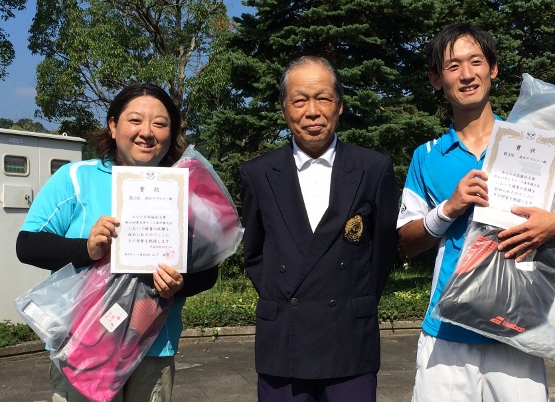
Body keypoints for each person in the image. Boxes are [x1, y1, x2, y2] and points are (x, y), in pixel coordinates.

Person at [397, 23, 555, 402]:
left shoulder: (530, 142)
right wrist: (448, 208)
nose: (467, 74)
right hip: (446, 334)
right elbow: (406, 241)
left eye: (476, 62)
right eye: (453, 66)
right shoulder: (427, 156)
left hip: (517, 328)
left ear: (493, 69)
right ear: (436, 79)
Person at [16, 83, 218, 402]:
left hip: (153, 348)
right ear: (112, 126)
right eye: (135, 120)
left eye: (160, 123)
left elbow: (208, 269)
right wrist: (86, 248)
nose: (146, 132)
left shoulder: (183, 188)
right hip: (84, 345)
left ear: (172, 132)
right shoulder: (75, 178)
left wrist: (180, 284)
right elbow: (27, 245)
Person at [240, 55, 399, 402]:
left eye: (323, 98)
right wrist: (283, 296)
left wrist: (351, 298)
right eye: (299, 100)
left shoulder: (373, 169)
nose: (312, 111)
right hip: (283, 340)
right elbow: (254, 254)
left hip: (349, 340)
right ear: (284, 109)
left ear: (339, 105)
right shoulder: (258, 174)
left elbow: (383, 251)